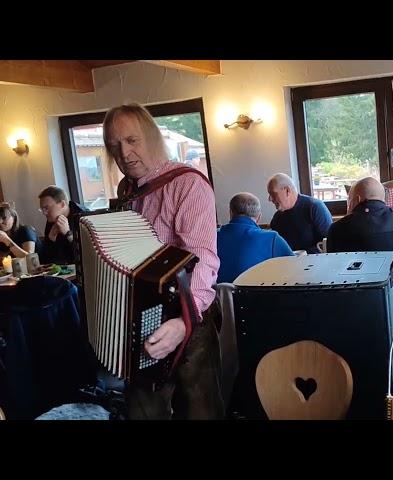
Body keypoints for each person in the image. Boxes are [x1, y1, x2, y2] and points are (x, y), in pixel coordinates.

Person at [103, 103, 223, 419]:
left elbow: (203, 260)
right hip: (143, 316)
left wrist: (184, 321)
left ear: (153, 137)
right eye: (115, 145)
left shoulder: (188, 184)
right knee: (143, 409)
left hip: (190, 315)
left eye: (132, 140)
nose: (124, 153)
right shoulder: (126, 189)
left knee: (200, 411)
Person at [327, 177, 393, 336]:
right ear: (384, 198)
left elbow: (333, 279)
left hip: (356, 322)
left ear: (355, 199)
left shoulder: (337, 230)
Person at [217, 192, 294, 283]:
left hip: (218, 296)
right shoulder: (272, 239)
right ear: (259, 217)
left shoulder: (212, 237)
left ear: (231, 213)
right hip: (259, 295)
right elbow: (294, 269)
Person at [267, 173, 332, 254]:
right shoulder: (277, 217)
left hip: (316, 263)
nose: (269, 199)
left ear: (287, 191)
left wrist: (302, 254)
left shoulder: (314, 208)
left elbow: (328, 243)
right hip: (287, 263)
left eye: (273, 194)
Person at [38, 186, 86, 265]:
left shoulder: (83, 217)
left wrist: (68, 234)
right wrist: (51, 240)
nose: (44, 213)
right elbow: (46, 261)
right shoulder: (51, 220)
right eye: (42, 209)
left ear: (63, 204)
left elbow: (86, 255)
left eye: (46, 208)